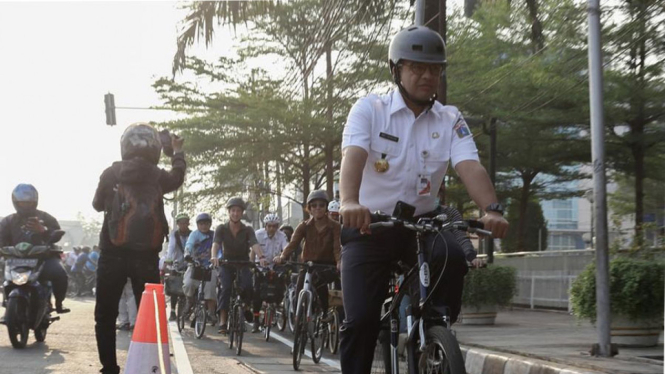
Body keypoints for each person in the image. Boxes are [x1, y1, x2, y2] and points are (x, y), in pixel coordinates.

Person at [337, 26, 509, 373]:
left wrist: (491, 209)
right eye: (416, 67)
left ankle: (435, 331)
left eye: (434, 69)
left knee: (453, 254)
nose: (427, 75)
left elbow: (469, 166)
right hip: (371, 225)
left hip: (423, 226)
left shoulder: (450, 118)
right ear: (397, 70)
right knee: (361, 321)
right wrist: (349, 202)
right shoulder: (369, 110)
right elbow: (352, 157)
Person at [92, 122, 185, 374]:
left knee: (106, 314)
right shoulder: (157, 175)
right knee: (151, 314)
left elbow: (97, 205)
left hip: (112, 253)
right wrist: (177, 152)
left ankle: (109, 367)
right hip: (146, 256)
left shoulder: (111, 173)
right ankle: (149, 365)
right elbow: (177, 178)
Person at [0, 183, 70, 313]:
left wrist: (43, 230)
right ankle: (6, 300)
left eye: (29, 203)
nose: (25, 206)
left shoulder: (46, 217)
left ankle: (59, 303)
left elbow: (57, 233)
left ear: (35, 202)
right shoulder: (7, 221)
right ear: (15, 202)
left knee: (60, 274)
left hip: (43, 258)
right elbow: (1, 238)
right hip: (15, 260)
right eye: (22, 203)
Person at [274, 190, 341, 321]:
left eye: (321, 205)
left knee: (319, 280)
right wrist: (282, 257)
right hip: (308, 264)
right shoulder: (303, 226)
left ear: (326, 207)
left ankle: (325, 312)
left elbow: (337, 247)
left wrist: (339, 261)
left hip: (327, 266)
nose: (318, 208)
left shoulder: (335, 226)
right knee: (299, 290)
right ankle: (300, 320)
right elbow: (292, 244)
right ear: (309, 208)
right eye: (314, 205)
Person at [210, 197, 268, 334]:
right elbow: (216, 244)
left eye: (238, 211)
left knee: (248, 286)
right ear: (229, 212)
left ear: (242, 213)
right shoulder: (221, 228)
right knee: (225, 288)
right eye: (233, 211)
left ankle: (246, 307)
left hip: (243, 263)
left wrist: (261, 257)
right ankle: (223, 321)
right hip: (226, 263)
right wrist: (213, 256)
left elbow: (254, 243)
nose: (235, 213)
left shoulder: (247, 229)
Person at [250, 213, 288, 332]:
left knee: (280, 288)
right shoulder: (258, 234)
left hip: (275, 265)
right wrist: (252, 265)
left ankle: (275, 306)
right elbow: (252, 251)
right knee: (257, 292)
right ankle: (256, 320)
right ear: (265, 225)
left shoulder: (282, 236)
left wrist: (281, 257)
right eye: (269, 226)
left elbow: (286, 248)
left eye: (274, 226)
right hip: (260, 266)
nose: (272, 229)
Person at [182, 213, 218, 325]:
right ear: (198, 225)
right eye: (201, 224)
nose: (204, 226)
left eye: (206, 224)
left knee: (211, 288)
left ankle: (211, 312)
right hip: (195, 264)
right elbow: (189, 245)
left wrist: (218, 259)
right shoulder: (194, 234)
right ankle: (189, 301)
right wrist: (187, 254)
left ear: (210, 224)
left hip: (210, 266)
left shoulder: (214, 235)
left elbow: (219, 248)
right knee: (188, 284)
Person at [165, 213, 191, 320]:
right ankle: (172, 311)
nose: (183, 225)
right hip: (177, 263)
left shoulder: (192, 234)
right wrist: (169, 260)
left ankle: (188, 309)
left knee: (189, 287)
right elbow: (171, 247)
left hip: (189, 263)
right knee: (175, 288)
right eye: (181, 223)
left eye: (185, 223)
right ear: (178, 224)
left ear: (188, 223)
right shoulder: (174, 235)